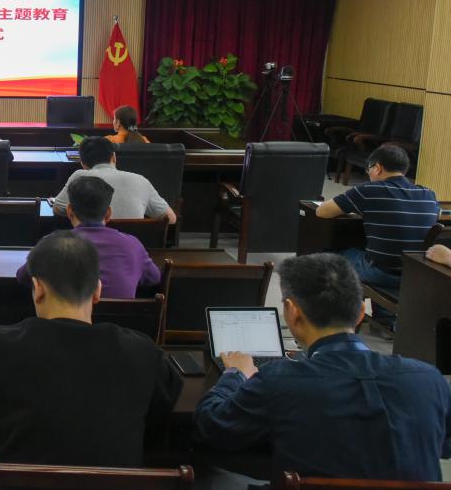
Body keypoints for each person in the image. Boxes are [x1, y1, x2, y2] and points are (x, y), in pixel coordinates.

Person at [193, 253, 451, 483]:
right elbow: (443, 446)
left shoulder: (279, 381)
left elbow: (212, 426)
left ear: (292, 312)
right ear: (361, 312)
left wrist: (235, 374)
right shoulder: (429, 380)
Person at [0, 230, 182, 467]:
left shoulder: (0, 343)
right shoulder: (141, 351)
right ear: (97, 291)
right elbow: (166, 400)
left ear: (37, 289)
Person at [316, 144, 438, 300]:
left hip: (380, 272)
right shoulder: (428, 194)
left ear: (378, 168)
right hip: (414, 273)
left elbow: (322, 211)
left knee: (329, 255)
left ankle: (342, 308)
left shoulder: (369, 190)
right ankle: (382, 312)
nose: (369, 175)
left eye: (369, 170)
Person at [17, 177, 159, 299]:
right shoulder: (133, 244)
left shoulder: (50, 243)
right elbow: (154, 277)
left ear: (69, 211)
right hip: (121, 323)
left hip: (67, 323)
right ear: (108, 213)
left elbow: (23, 276)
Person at [54, 136, 176, 223]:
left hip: (92, 247)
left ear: (82, 163)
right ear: (114, 157)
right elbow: (170, 218)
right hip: (132, 248)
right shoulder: (141, 180)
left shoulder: (80, 176)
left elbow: (58, 208)